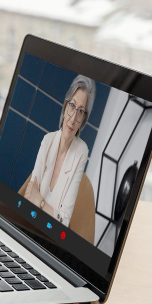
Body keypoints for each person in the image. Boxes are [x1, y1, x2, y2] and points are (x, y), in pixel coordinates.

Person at [21, 75, 95, 226]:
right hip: (28, 224)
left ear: (84, 118)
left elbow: (64, 221)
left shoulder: (81, 151)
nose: (73, 118)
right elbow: (29, 197)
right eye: (72, 106)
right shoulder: (47, 141)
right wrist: (47, 209)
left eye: (80, 111)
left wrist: (39, 201)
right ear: (65, 106)